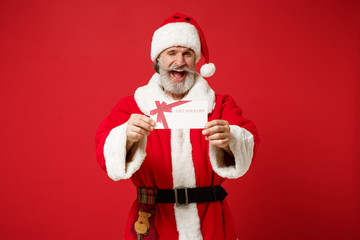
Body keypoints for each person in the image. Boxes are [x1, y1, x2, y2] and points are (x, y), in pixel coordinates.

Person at [95, 12, 259, 240]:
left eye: (187, 54)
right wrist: (126, 136)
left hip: (209, 222)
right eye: (171, 53)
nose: (180, 62)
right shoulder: (133, 105)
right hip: (153, 220)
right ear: (158, 59)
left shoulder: (220, 105)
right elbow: (104, 150)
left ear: (196, 60)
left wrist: (230, 138)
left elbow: (248, 139)